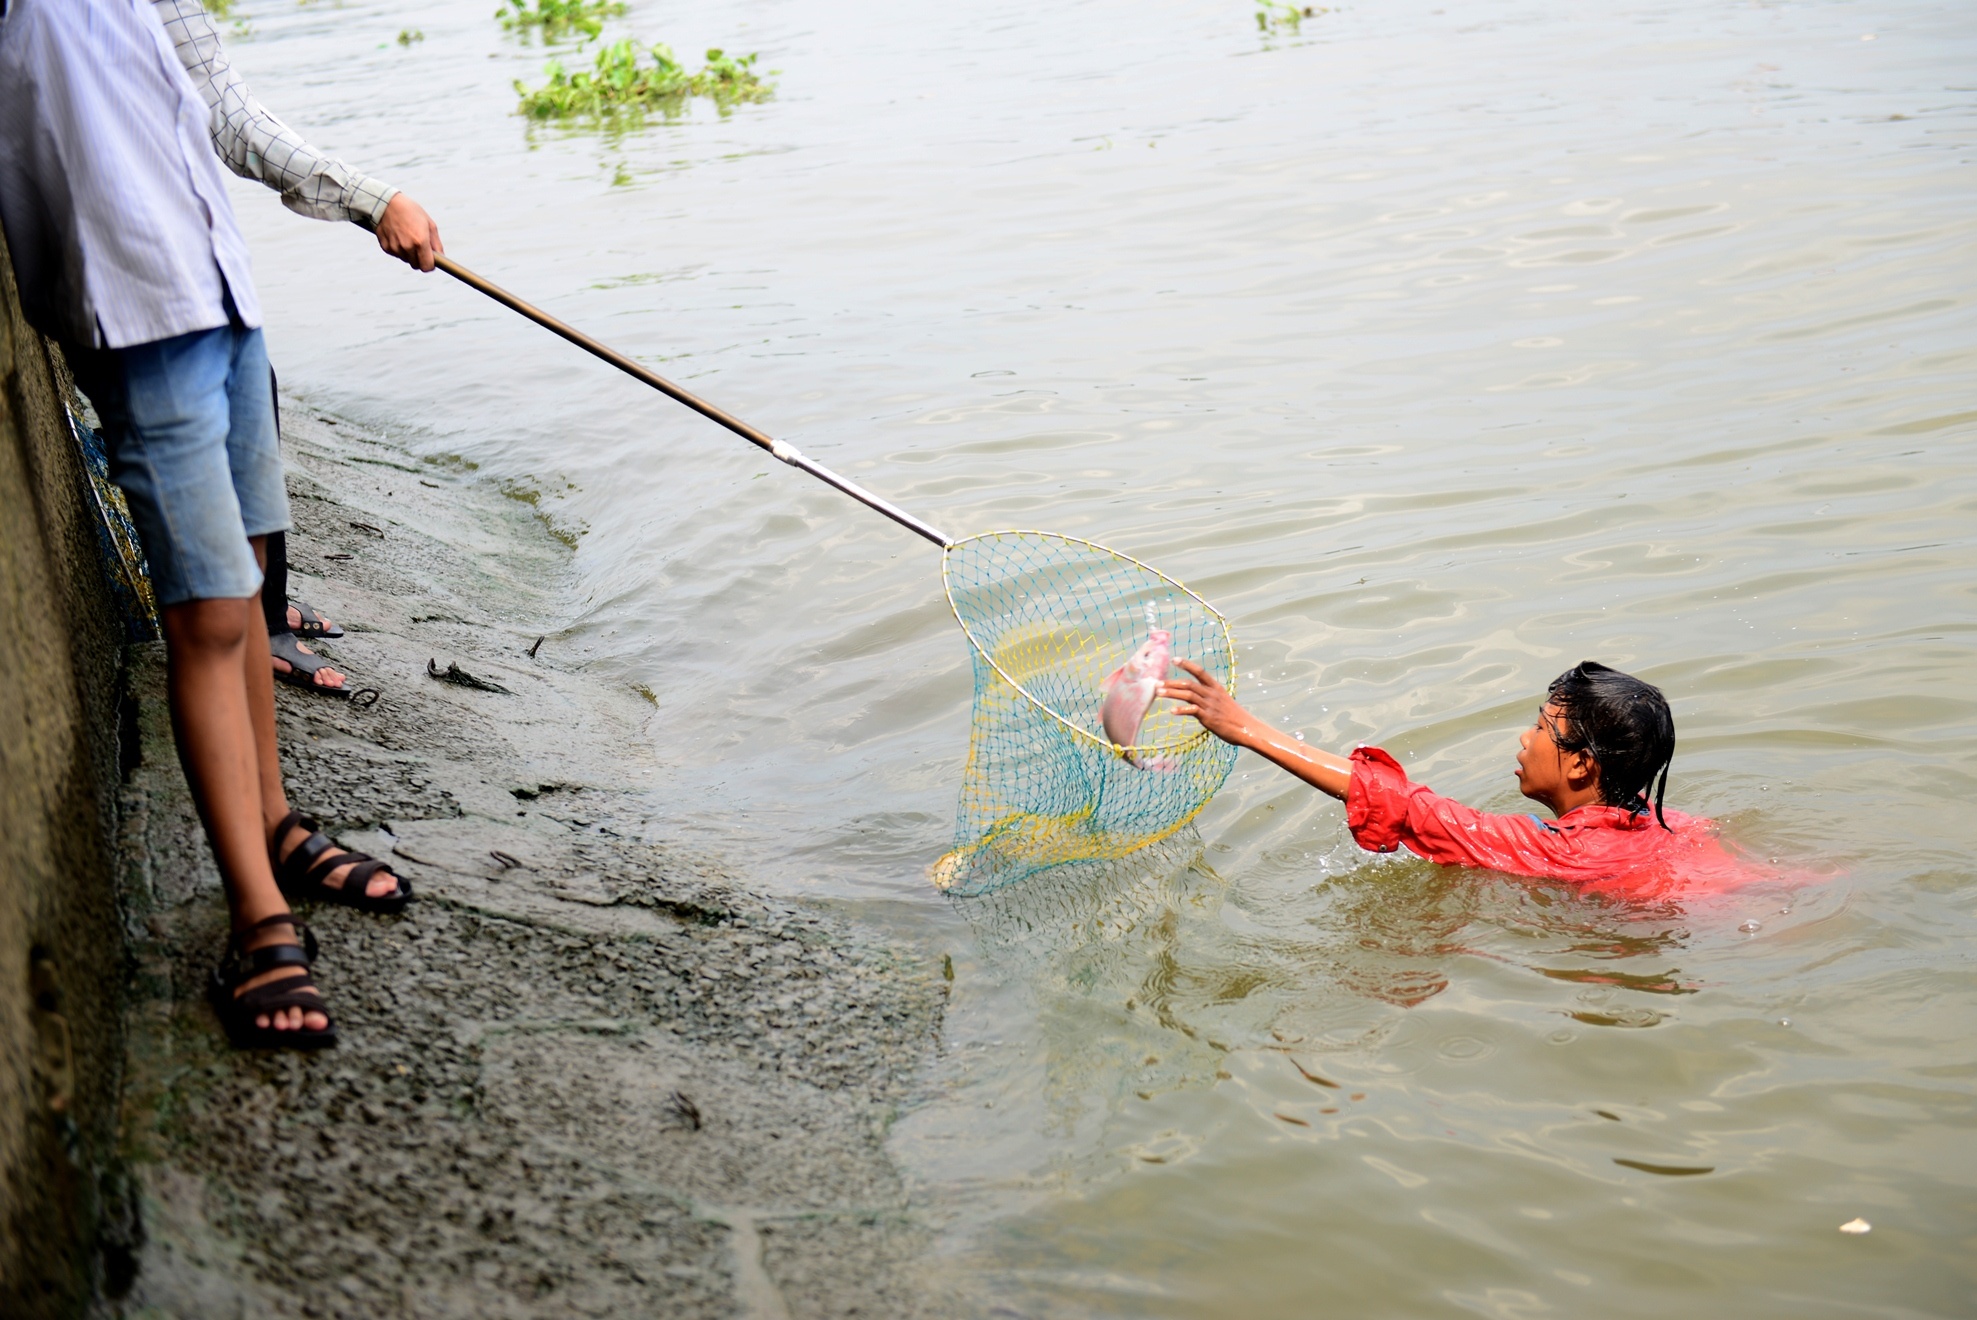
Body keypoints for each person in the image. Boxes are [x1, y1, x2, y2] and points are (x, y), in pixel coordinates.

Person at [0, 0, 412, 1049]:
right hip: (135, 315)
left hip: (219, 292)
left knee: (243, 594)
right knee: (206, 619)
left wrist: (369, 202)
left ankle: (272, 823)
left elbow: (221, 110)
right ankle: (256, 924)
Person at [151, 0, 443, 697]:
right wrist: (374, 201)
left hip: (158, 247)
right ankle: (258, 627)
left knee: (252, 388)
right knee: (226, 406)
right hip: (142, 257)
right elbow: (228, 119)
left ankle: (264, 607)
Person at [1160, 658, 1758, 895]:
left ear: (1580, 763)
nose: (1525, 738)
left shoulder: (1554, 853)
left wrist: (1244, 728)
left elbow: (1403, 804)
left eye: (1541, 728)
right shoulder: (1682, 827)